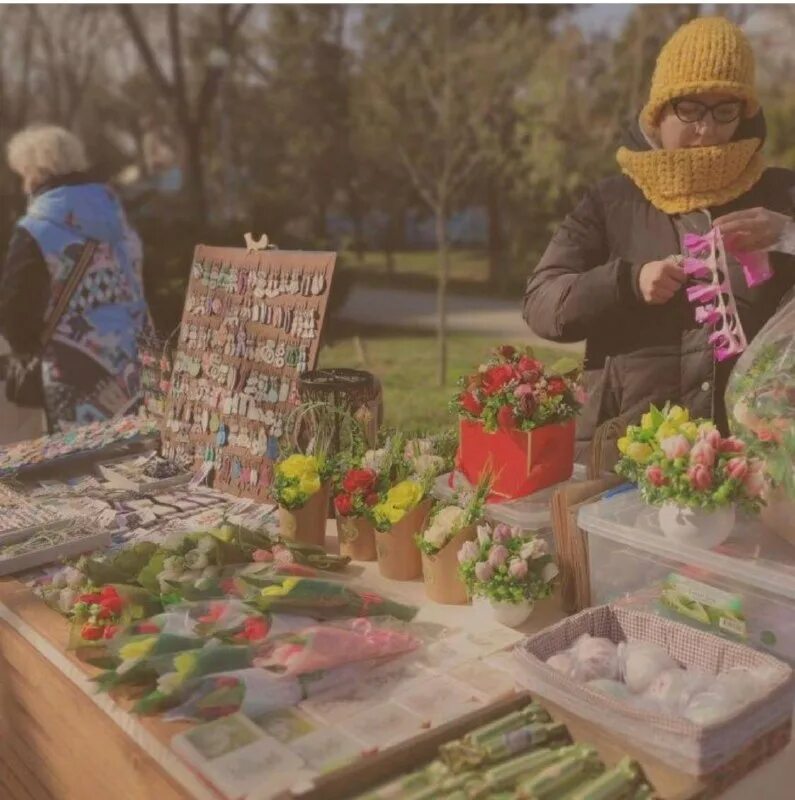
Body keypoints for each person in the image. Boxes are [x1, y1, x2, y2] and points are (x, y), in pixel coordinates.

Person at [523, 16, 795, 462]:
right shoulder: (611, 202)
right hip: (625, 455)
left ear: (745, 113)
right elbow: (541, 303)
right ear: (660, 110)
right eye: (690, 108)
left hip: (749, 459)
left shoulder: (780, 194)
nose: (707, 129)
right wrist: (626, 282)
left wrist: (786, 234)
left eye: (725, 110)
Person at [0, 125, 151, 432]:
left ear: (37, 173)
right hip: (133, 359)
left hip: (72, 367)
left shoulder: (36, 229)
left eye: (23, 174)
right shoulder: (117, 217)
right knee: (132, 449)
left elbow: (16, 309)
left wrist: (26, 346)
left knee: (79, 456)